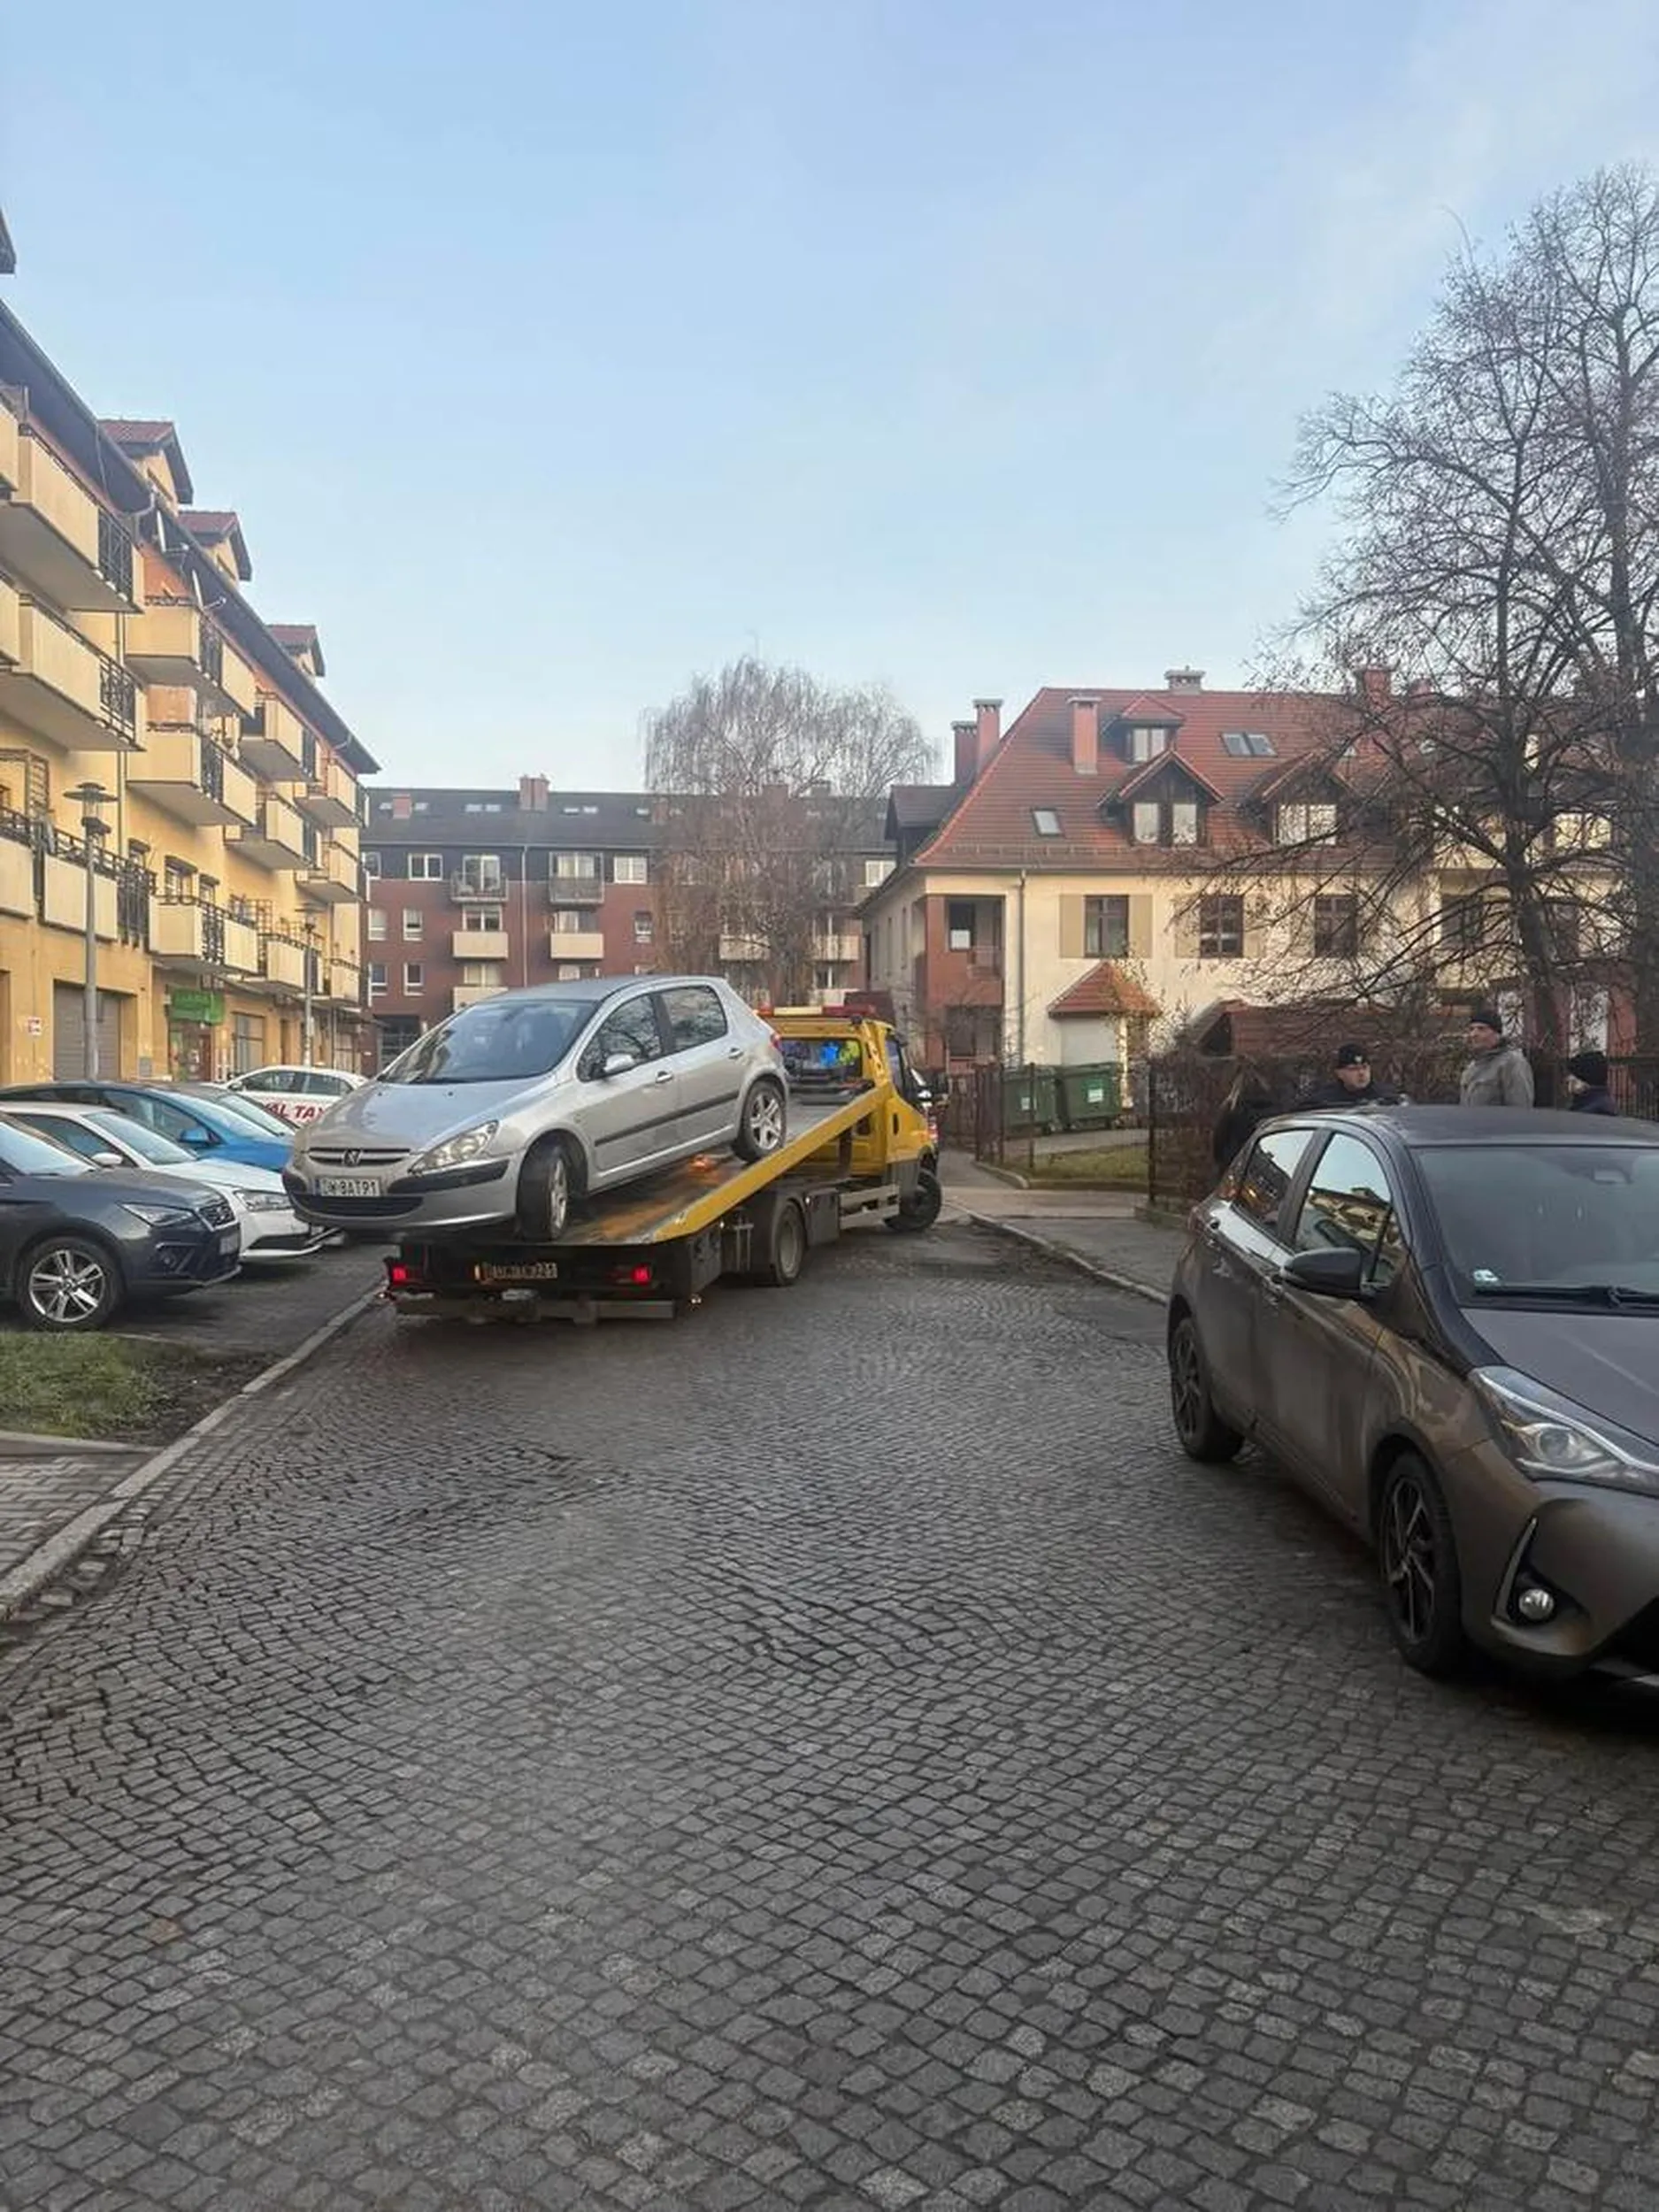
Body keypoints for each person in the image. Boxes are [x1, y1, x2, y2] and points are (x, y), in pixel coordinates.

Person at [1459, 1006, 1535, 1108]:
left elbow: (1520, 1109)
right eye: (1471, 1029)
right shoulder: (1472, 1067)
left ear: (1497, 1034)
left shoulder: (1512, 1063)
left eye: (1481, 1029)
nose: (1474, 1034)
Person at [1302, 1042, 1399, 1110]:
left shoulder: (1387, 1097)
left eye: (1364, 1067)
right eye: (1353, 1069)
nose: (1361, 1073)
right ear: (1339, 1073)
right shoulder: (1323, 1102)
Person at [1211, 1065, 1273, 1171]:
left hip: (1234, 1164)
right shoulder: (1271, 1110)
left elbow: (1218, 1141)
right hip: (1258, 1165)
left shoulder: (1230, 1108)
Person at [1565, 1048, 1617, 1116]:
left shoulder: (1593, 1111)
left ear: (1585, 1081)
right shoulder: (1601, 1103)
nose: (1568, 1079)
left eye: (1574, 1077)